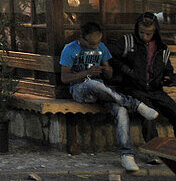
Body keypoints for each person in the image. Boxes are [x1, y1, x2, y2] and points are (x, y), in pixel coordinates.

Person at [60, 21, 159, 173]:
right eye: (91, 43)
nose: (95, 46)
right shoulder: (70, 49)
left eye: (97, 42)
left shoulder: (101, 47)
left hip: (104, 92)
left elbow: (110, 73)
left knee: (121, 110)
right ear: (82, 38)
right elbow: (64, 78)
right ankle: (135, 104)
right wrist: (87, 73)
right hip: (80, 89)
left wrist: (107, 70)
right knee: (93, 84)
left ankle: (126, 155)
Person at [109, 12, 176, 143]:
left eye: (148, 33)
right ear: (137, 30)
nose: (144, 36)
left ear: (155, 32)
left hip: (156, 90)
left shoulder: (162, 49)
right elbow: (110, 55)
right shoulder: (128, 41)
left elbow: (168, 69)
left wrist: (168, 78)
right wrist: (126, 69)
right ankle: (153, 149)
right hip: (134, 89)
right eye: (141, 32)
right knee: (148, 115)